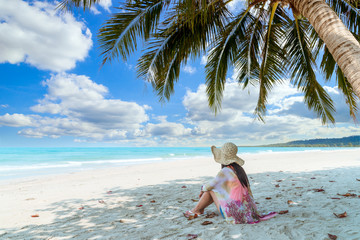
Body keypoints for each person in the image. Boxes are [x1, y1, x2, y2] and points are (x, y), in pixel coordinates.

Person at [184, 142, 277, 224]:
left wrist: (202, 189)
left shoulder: (226, 171)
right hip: (246, 211)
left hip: (234, 214)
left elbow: (210, 186)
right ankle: (199, 210)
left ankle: (196, 210)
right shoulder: (239, 170)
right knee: (212, 188)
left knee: (210, 190)